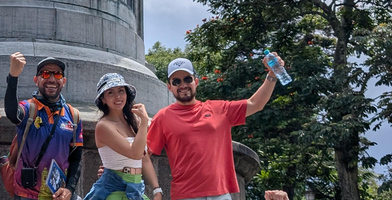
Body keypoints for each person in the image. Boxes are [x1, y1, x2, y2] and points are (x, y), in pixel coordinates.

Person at [146, 55, 286, 200]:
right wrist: (156, 189)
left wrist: (272, 75)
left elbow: (255, 104)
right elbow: (144, 155)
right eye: (176, 81)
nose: (183, 85)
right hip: (185, 195)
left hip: (221, 194)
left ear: (196, 81)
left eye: (187, 79)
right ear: (169, 86)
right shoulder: (163, 117)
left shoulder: (219, 109)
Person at [3, 53, 83, 200]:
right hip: (26, 194)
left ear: (63, 81)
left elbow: (76, 159)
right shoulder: (28, 109)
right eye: (45, 74)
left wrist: (69, 189)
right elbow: (12, 113)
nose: (52, 79)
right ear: (36, 80)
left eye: (57, 75)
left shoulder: (73, 115)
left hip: (57, 195)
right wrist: (13, 77)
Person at [83, 73, 162, 200]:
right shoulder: (103, 126)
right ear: (103, 99)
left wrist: (156, 189)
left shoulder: (133, 121)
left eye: (121, 91)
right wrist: (144, 122)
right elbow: (135, 153)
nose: (118, 96)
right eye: (110, 93)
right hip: (113, 190)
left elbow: (144, 158)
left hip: (136, 189)